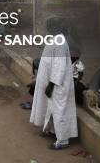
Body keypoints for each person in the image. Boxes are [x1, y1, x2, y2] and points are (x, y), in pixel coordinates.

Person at [30, 17, 78, 150]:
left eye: (49, 26)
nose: (48, 28)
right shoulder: (55, 39)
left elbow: (60, 66)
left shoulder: (60, 43)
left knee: (59, 110)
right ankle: (52, 131)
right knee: (51, 108)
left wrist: (51, 85)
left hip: (58, 84)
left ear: (55, 27)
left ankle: (62, 140)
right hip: (51, 81)